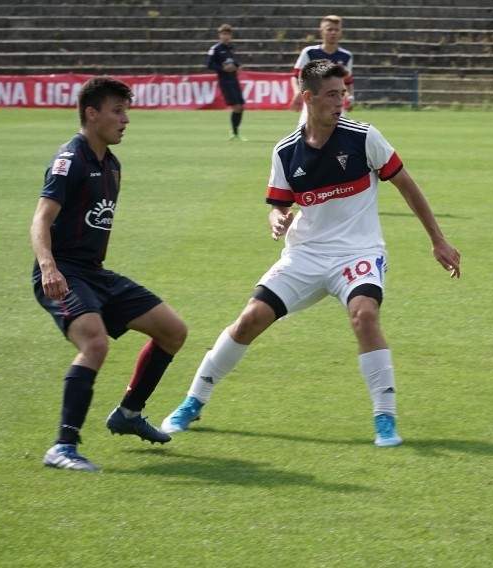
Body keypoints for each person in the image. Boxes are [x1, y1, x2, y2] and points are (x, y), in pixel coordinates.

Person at [162, 60, 460, 447]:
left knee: (365, 316)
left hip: (358, 252)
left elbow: (406, 184)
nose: (342, 101)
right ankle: (192, 401)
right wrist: (277, 218)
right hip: (305, 255)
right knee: (249, 320)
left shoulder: (363, 137)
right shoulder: (286, 151)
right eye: (333, 94)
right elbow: (279, 204)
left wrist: (437, 239)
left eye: (344, 93)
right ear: (309, 97)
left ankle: (384, 419)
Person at [30, 76, 188, 471]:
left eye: (126, 111)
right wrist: (49, 267)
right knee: (95, 344)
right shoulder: (70, 160)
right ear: (92, 113)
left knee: (173, 330)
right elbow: (40, 221)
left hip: (93, 273)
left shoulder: (111, 164)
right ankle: (63, 447)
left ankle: (129, 413)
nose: (126, 119)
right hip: (63, 272)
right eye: (118, 111)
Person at [290, 15, 354, 124]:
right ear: (321, 31)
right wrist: (297, 92)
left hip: (336, 103)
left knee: (338, 136)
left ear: (340, 32)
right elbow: (296, 76)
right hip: (313, 102)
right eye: (329, 29)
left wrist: (351, 96)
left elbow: (348, 81)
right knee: (305, 134)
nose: (333, 32)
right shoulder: (309, 53)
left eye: (336, 30)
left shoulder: (346, 56)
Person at [207, 23, 246, 140]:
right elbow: (209, 64)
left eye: (228, 34)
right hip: (225, 81)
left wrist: (238, 66)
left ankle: (235, 132)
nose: (226, 36)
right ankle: (234, 133)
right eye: (223, 34)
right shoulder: (215, 49)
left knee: (241, 106)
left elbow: (233, 61)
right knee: (236, 107)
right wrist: (222, 68)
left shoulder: (230, 48)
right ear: (219, 35)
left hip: (234, 80)